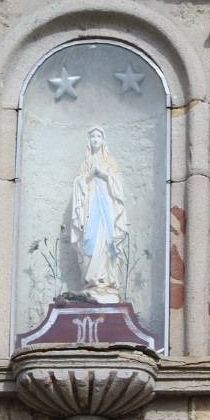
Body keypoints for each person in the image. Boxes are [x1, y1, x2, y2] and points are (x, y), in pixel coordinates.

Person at [69, 126, 127, 303]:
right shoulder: (85, 162)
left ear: (103, 140)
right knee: (88, 240)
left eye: (98, 136)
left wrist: (101, 174)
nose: (95, 139)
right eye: (92, 136)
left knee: (107, 242)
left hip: (106, 211)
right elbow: (78, 184)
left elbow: (117, 184)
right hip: (90, 208)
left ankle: (106, 282)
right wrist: (88, 175)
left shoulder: (110, 161)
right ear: (89, 141)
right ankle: (91, 282)